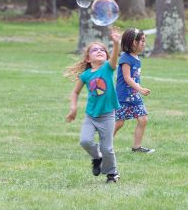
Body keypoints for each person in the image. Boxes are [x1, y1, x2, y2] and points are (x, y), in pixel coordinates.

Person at [65, 28, 121, 183]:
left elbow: (115, 57)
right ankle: (97, 158)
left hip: (107, 115)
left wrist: (116, 43)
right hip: (91, 115)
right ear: (88, 59)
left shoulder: (108, 68)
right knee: (85, 141)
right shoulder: (85, 75)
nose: (99, 51)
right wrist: (73, 108)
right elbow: (75, 93)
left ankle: (112, 174)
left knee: (107, 147)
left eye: (102, 50)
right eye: (95, 50)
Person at [114, 28, 155, 154]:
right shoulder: (125, 58)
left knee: (143, 119)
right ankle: (104, 145)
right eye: (142, 40)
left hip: (134, 96)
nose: (144, 43)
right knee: (119, 123)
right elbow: (127, 78)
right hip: (123, 97)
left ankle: (137, 147)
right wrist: (140, 89)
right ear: (133, 42)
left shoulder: (136, 58)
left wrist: (137, 91)